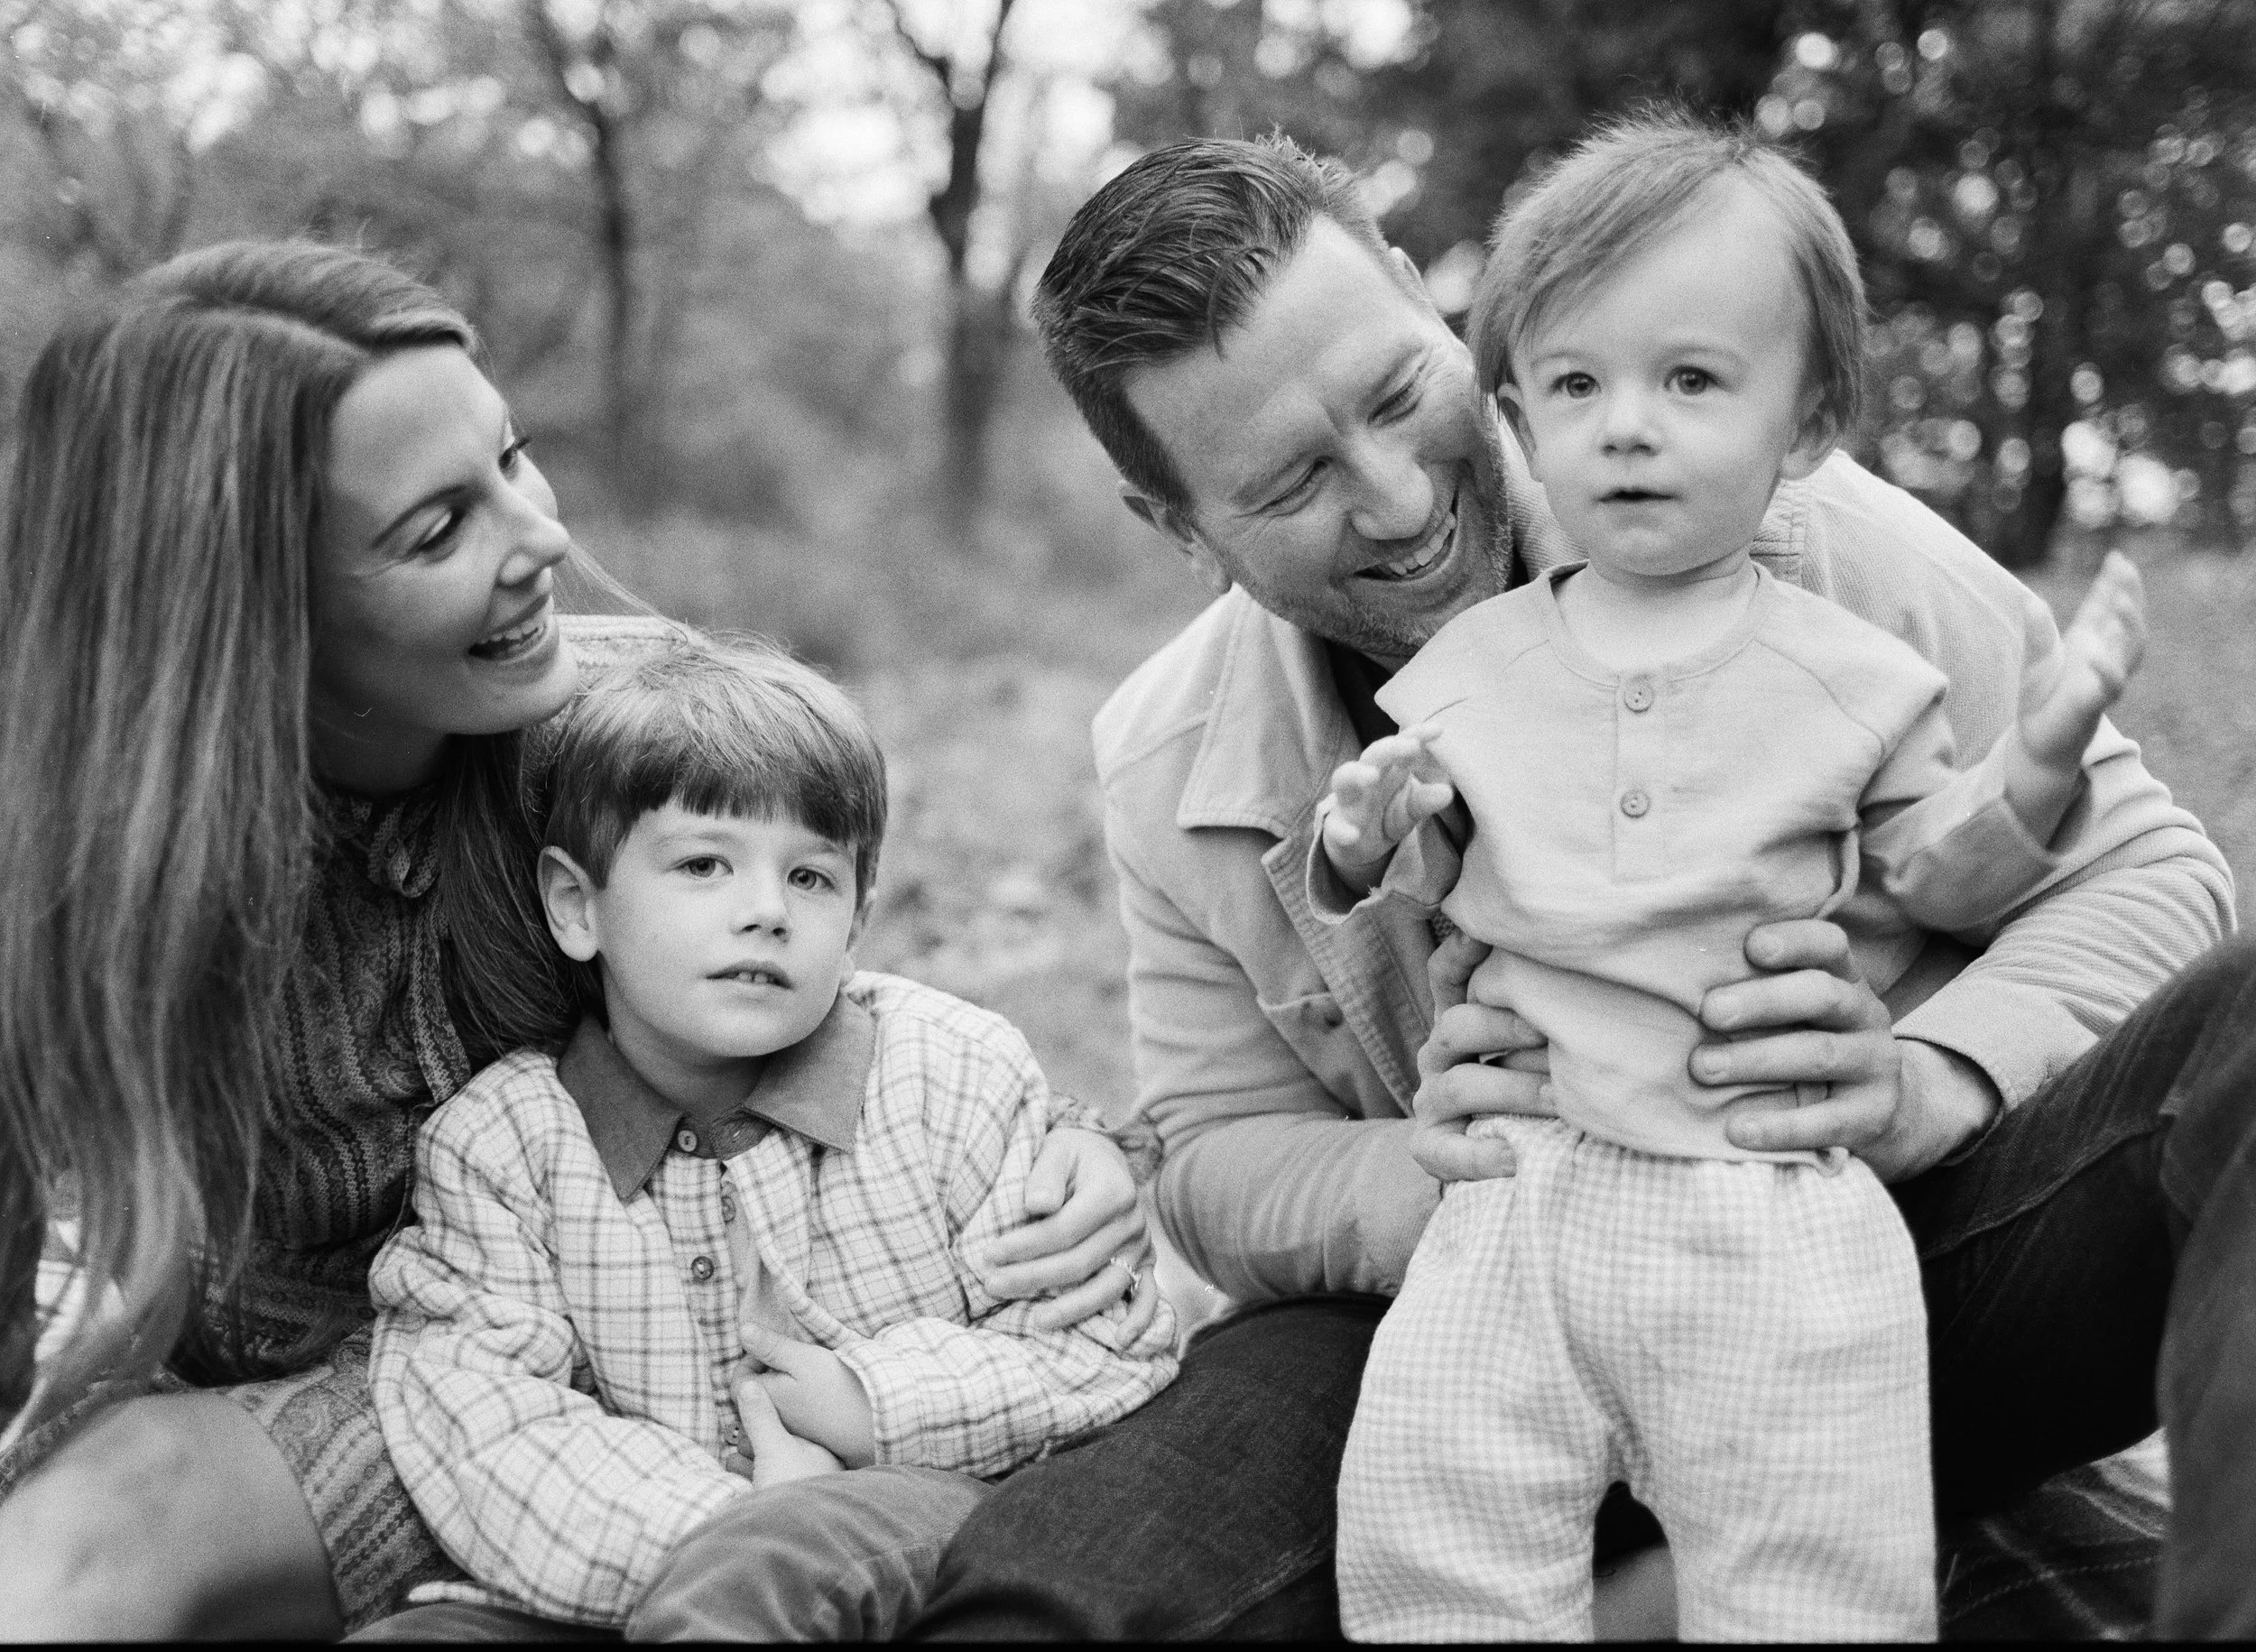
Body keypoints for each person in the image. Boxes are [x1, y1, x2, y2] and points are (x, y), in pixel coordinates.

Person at [908, 134, 2243, 1639]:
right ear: (1178, 528)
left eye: (1401, 393)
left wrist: (1932, 1077)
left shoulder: (1812, 547)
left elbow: (2153, 875)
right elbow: (1213, 1152)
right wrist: (1417, 1171)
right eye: (1290, 482)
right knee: (1054, 1597)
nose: (1401, 496)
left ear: (1427, 300)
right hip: (1466, 1335)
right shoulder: (1165, 760)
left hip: (1865, 1267)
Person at [0, 239, 1155, 1639]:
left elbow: (850, 1012)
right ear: (249, 615)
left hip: (662, 1349)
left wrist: (1090, 1136)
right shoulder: (84, 871)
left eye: (513, 456)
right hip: (389, 1395)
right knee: (72, 1542)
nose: (538, 536)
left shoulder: (607, 737)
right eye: (437, 529)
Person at [1316, 116, 2144, 1640]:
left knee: (1815, 1565)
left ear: (1808, 420)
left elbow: (1938, 869)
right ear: (1517, 415)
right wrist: (1370, 832)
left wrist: (2034, 763)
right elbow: (1437, 864)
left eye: (1691, 381)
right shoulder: (1471, 663)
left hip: (1760, 1203)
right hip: (1522, 1204)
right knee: (1436, 1535)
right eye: (1577, 385)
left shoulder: (1853, 670)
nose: (1627, 427)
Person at [358, 635, 1179, 1639]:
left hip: (912, 1524)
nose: (764, 913)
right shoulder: (502, 1148)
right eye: (704, 863)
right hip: (615, 1559)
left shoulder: (949, 1072)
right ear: (578, 905)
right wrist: (732, 1518)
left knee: (778, 1568)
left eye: (811, 879)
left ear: (860, 915)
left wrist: (871, 1403)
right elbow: (484, 1428)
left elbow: (1105, 1347)